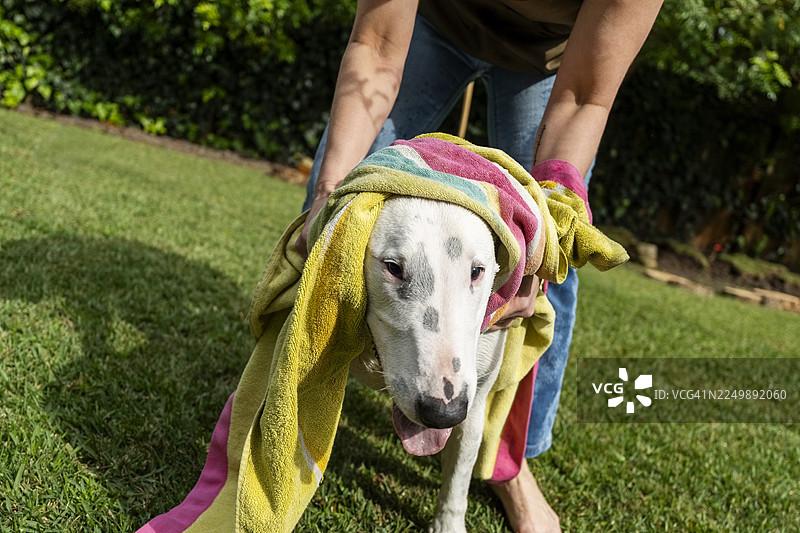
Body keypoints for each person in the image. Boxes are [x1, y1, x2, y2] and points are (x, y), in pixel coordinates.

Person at [295, 1, 663, 531]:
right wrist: (331, 191)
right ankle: (294, 398)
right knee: (333, 216)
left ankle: (508, 462)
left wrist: (543, 243)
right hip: (433, 18)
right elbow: (376, 47)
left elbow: (584, 96)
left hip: (548, 60)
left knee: (548, 265)